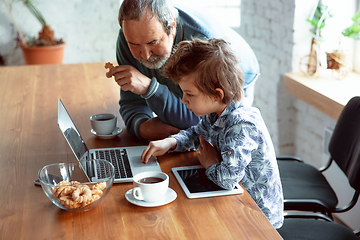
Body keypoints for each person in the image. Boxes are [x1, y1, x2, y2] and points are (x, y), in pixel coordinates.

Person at [141, 38, 283, 229]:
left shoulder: (241, 124)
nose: (184, 101)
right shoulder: (216, 114)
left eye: (190, 94)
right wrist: (170, 142)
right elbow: (196, 134)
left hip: (258, 218)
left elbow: (228, 178)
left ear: (217, 94)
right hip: (235, 199)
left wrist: (209, 162)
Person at [106, 0, 260, 141]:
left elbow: (198, 120)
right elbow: (132, 99)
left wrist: (149, 89)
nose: (145, 55)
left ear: (173, 26)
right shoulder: (131, 37)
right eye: (134, 44)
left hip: (237, 77)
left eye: (153, 42)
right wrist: (141, 126)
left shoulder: (202, 48)